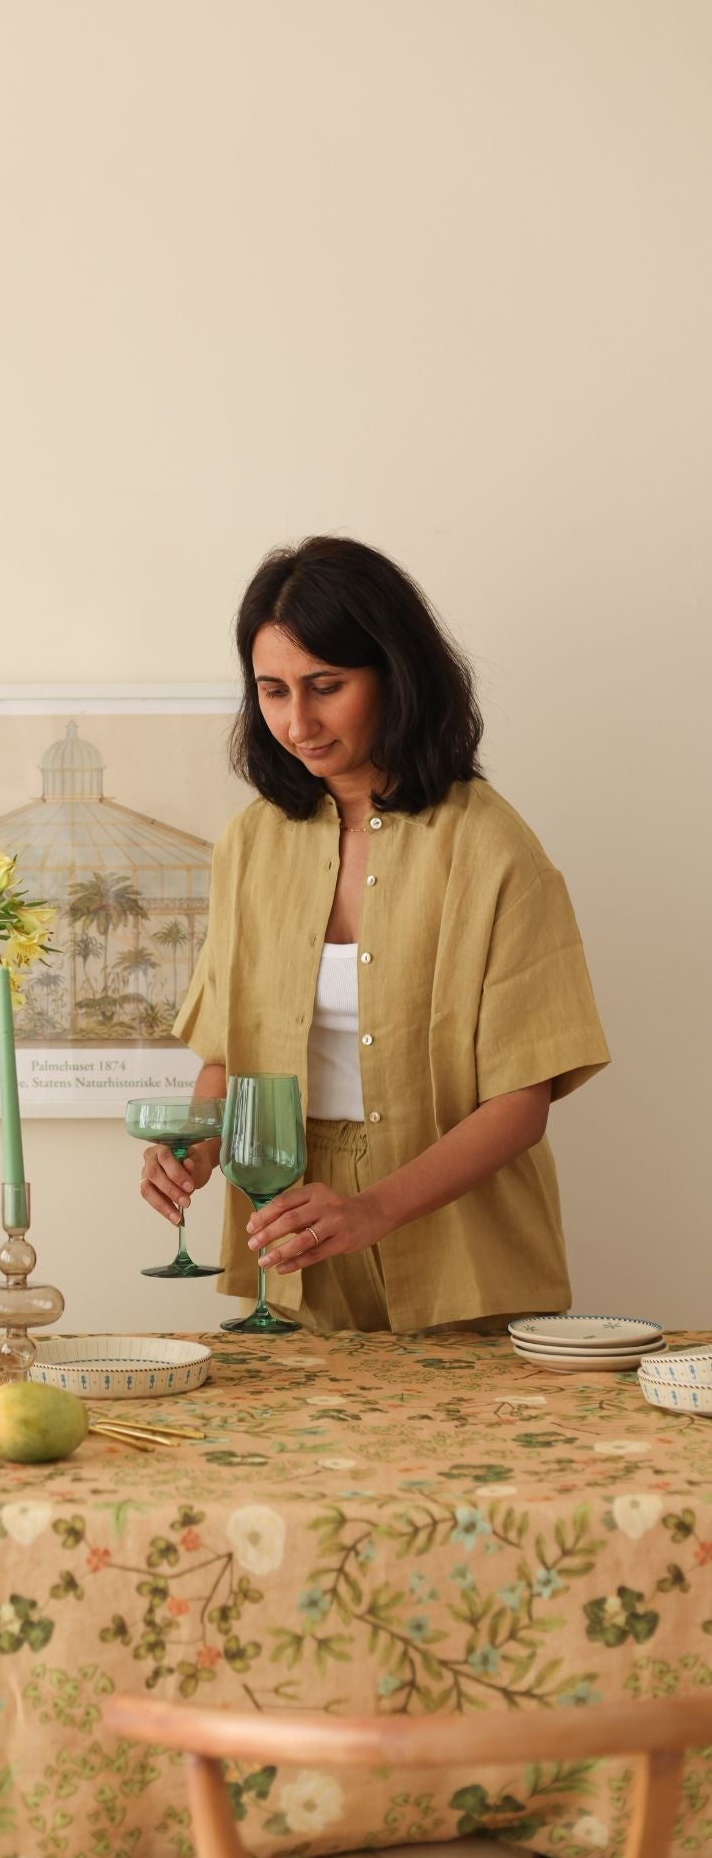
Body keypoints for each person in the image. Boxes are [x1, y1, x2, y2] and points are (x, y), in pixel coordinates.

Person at [139, 536, 609, 1333]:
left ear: (396, 674)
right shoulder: (250, 844)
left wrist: (369, 1210)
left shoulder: (492, 847)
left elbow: (522, 1101)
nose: (298, 721)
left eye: (326, 686)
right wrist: (197, 1144)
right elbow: (228, 1050)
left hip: (462, 1245)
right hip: (292, 1236)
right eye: (273, 691)